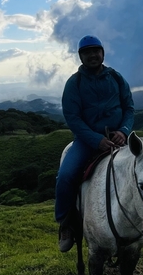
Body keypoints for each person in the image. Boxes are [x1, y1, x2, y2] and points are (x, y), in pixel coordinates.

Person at [56, 35, 135, 252]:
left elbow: (129, 108)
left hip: (119, 138)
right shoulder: (74, 83)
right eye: (87, 52)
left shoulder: (117, 78)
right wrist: (95, 139)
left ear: (103, 53)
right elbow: (73, 118)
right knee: (65, 175)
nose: (93, 55)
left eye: (96, 51)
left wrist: (124, 131)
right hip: (87, 141)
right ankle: (66, 224)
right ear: (81, 56)